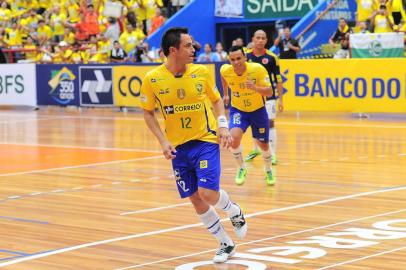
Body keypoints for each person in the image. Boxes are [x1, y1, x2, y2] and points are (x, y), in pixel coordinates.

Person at [140, 27, 247, 263]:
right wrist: (163, 141)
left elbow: (218, 101)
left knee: (207, 193)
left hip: (204, 139)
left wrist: (222, 126)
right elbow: (148, 113)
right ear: (173, 50)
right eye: (188, 45)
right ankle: (225, 243)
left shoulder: (201, 72)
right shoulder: (153, 79)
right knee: (195, 198)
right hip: (179, 148)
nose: (194, 49)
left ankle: (233, 210)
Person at [221, 45, 276, 186]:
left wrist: (255, 88)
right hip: (238, 110)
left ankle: (268, 170)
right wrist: (226, 94)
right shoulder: (225, 70)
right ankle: (241, 168)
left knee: (263, 144)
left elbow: (270, 92)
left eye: (239, 58)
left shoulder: (257, 69)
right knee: (233, 139)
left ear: (245, 57)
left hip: (258, 110)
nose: (236, 62)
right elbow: (223, 77)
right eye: (232, 59)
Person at [245, 30, 284, 166]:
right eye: (258, 38)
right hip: (251, 96)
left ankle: (272, 154)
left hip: (268, 97)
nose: (260, 40)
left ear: (266, 40)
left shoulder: (272, 57)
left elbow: (278, 80)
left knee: (270, 123)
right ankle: (256, 150)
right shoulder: (246, 56)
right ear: (253, 39)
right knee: (254, 123)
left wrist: (280, 99)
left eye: (263, 38)